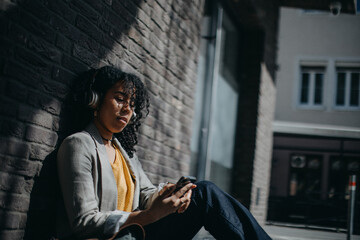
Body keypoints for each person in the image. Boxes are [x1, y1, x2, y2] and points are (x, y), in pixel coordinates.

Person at [56, 66, 272, 240]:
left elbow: (147, 193)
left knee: (200, 193)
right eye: (120, 99)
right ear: (95, 100)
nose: (127, 109)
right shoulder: (79, 145)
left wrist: (168, 195)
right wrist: (148, 215)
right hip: (116, 237)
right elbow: (84, 223)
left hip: (138, 232)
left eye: (132, 104)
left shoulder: (124, 153)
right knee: (205, 193)